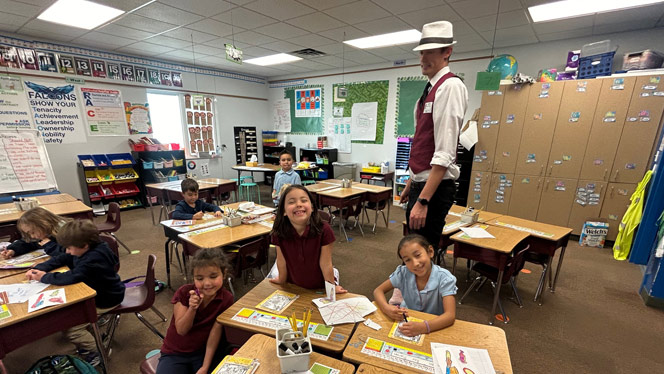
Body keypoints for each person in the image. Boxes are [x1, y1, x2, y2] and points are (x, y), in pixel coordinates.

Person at [400, 20, 469, 251]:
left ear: (447, 52)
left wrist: (423, 200)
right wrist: (413, 180)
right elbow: (422, 142)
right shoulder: (429, 89)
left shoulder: (450, 86)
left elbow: (445, 152)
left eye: (429, 52)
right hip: (424, 184)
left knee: (421, 253)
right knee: (413, 248)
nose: (422, 59)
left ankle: (424, 288)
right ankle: (410, 287)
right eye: (421, 52)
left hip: (435, 190)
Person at [25, 220, 124, 366]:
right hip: (104, 292)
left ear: (84, 246)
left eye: (69, 248)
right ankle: (96, 337)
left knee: (71, 328)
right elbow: (64, 257)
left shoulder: (92, 259)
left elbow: (72, 276)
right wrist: (43, 267)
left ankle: (98, 351)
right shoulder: (87, 248)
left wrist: (43, 277)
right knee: (71, 317)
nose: (67, 251)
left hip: (106, 298)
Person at [157, 248, 234, 374]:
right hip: (175, 353)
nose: (207, 283)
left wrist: (205, 367)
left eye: (213, 276)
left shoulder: (226, 299)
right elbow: (182, 330)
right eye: (200, 278)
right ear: (193, 278)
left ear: (224, 274)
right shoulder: (183, 293)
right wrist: (192, 308)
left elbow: (215, 335)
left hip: (202, 353)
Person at [373, 234, 457, 337]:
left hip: (434, 324)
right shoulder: (403, 273)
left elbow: (450, 316)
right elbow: (378, 291)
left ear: (430, 252)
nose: (415, 263)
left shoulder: (445, 278)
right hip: (408, 319)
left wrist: (423, 327)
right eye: (408, 260)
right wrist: (386, 308)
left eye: (418, 255)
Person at [269, 185, 346, 294]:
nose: (299, 204)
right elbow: (281, 260)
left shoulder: (324, 229)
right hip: (293, 285)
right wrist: (281, 279)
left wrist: (331, 288)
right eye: (291, 202)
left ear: (312, 207)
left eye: (304, 200)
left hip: (319, 286)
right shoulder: (279, 231)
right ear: (284, 211)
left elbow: (326, 264)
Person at [0, 207, 67, 259]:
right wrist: (13, 250)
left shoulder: (66, 234)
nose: (32, 236)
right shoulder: (44, 234)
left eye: (32, 232)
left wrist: (50, 245)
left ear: (44, 224)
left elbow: (68, 255)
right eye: (29, 233)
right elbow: (28, 242)